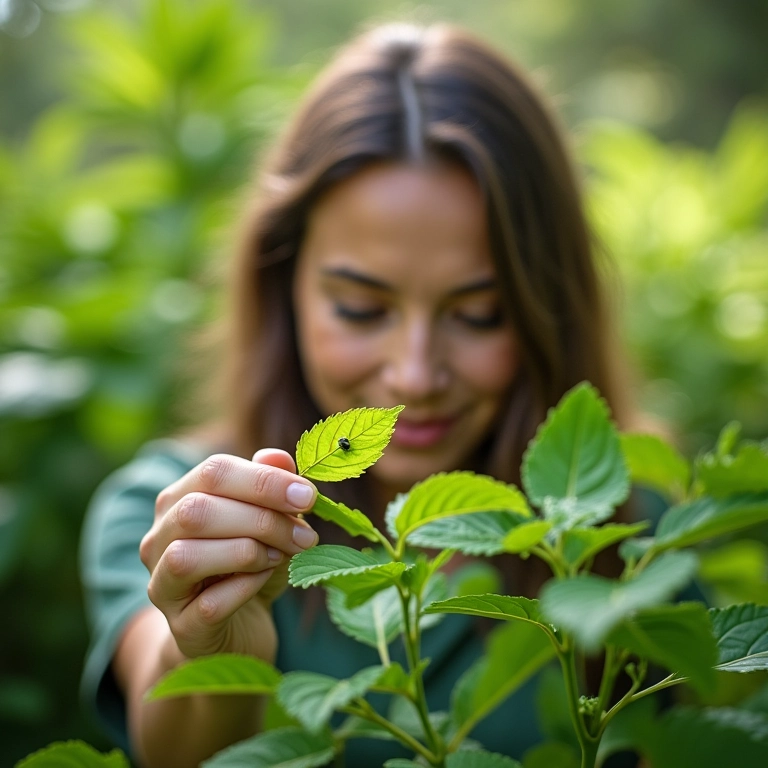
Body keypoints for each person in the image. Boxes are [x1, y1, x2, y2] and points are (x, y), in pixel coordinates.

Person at [79, 21, 635, 768]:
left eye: (479, 314)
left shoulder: (634, 536)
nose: (413, 375)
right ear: (284, 284)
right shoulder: (182, 517)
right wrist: (210, 651)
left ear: (550, 305)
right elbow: (171, 749)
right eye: (361, 308)